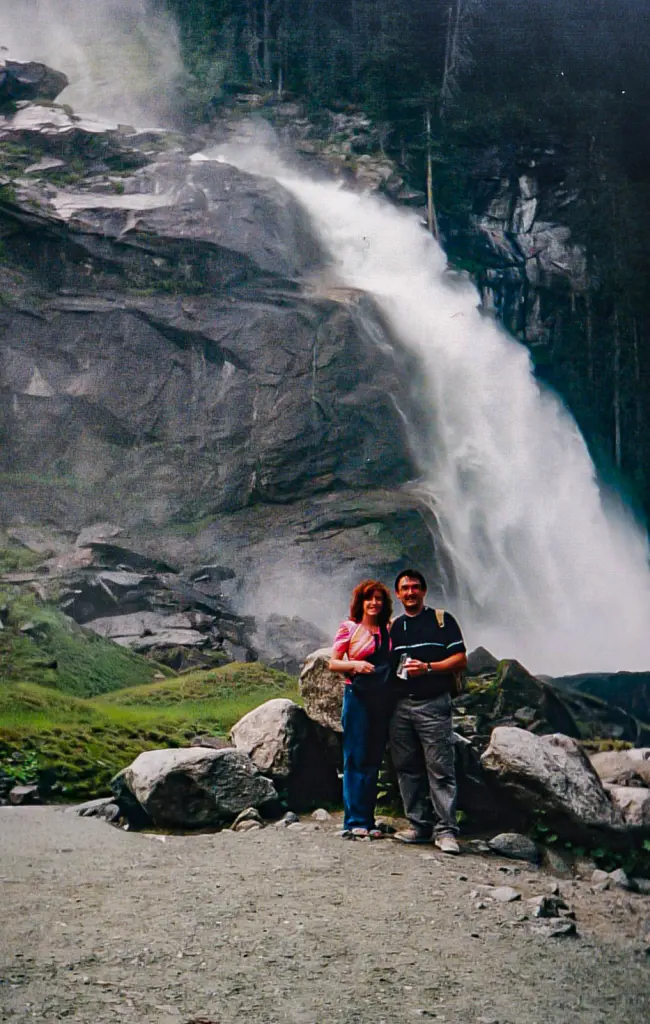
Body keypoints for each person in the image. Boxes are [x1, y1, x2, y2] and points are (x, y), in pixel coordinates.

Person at [389, 569, 467, 854]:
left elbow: (460, 658)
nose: (410, 592)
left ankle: (446, 830)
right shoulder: (394, 627)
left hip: (433, 703)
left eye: (414, 587)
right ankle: (419, 826)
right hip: (400, 707)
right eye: (404, 588)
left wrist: (428, 668)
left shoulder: (442, 621)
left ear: (424, 591)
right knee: (407, 768)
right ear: (397, 594)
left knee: (440, 768)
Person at [329, 580, 394, 840]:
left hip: (381, 698)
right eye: (369, 598)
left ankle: (368, 819)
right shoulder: (349, 628)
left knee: (372, 760)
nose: (374, 603)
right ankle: (353, 819)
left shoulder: (388, 630)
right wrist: (355, 664)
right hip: (356, 697)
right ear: (361, 602)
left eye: (378, 598)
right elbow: (333, 662)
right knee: (355, 758)